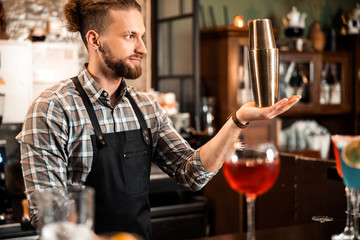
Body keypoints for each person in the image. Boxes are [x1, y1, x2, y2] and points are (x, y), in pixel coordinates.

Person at [16, 0, 301, 239]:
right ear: (94, 40)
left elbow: (192, 174)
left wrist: (238, 119)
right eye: (130, 36)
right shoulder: (52, 109)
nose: (142, 48)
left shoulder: (146, 107)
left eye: (142, 36)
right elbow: (49, 215)